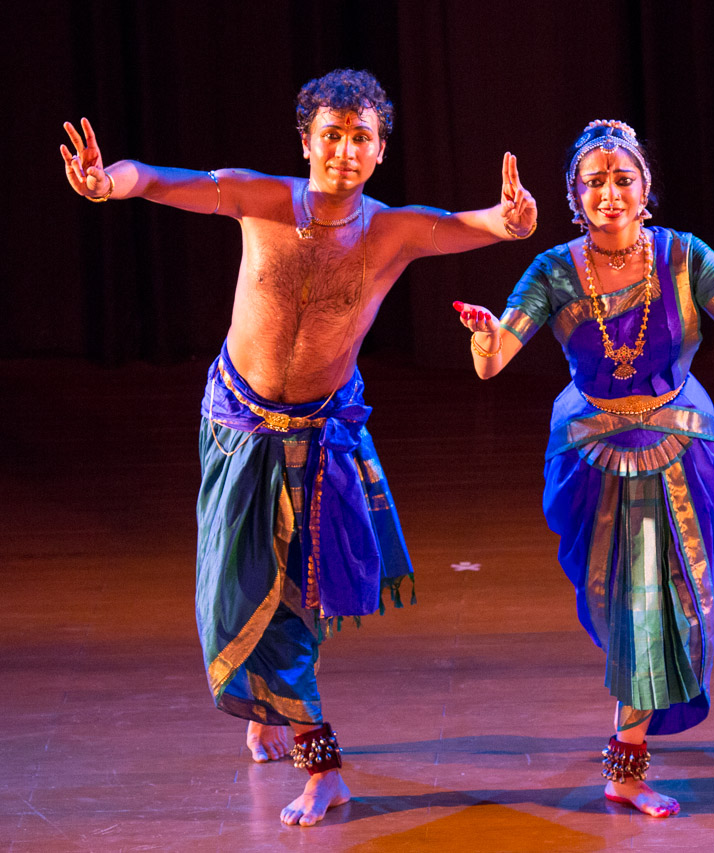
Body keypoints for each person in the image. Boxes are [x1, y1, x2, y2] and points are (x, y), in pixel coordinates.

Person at [59, 68, 537, 827]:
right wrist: (104, 183)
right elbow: (156, 180)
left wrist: (511, 220)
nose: (345, 150)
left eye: (361, 138)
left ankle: (312, 754)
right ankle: (287, 720)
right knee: (233, 595)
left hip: (321, 432)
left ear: (380, 151)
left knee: (300, 589)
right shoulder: (260, 199)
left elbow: (473, 224)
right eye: (331, 135)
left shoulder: (391, 231)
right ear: (306, 142)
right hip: (239, 427)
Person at [453, 120, 714, 817]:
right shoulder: (553, 271)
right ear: (574, 196)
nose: (610, 193)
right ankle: (630, 739)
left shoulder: (685, 256)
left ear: (646, 188)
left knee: (652, 605)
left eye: (623, 179)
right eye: (594, 182)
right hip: (590, 452)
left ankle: (625, 765)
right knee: (620, 605)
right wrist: (483, 337)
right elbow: (495, 360)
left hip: (677, 446)